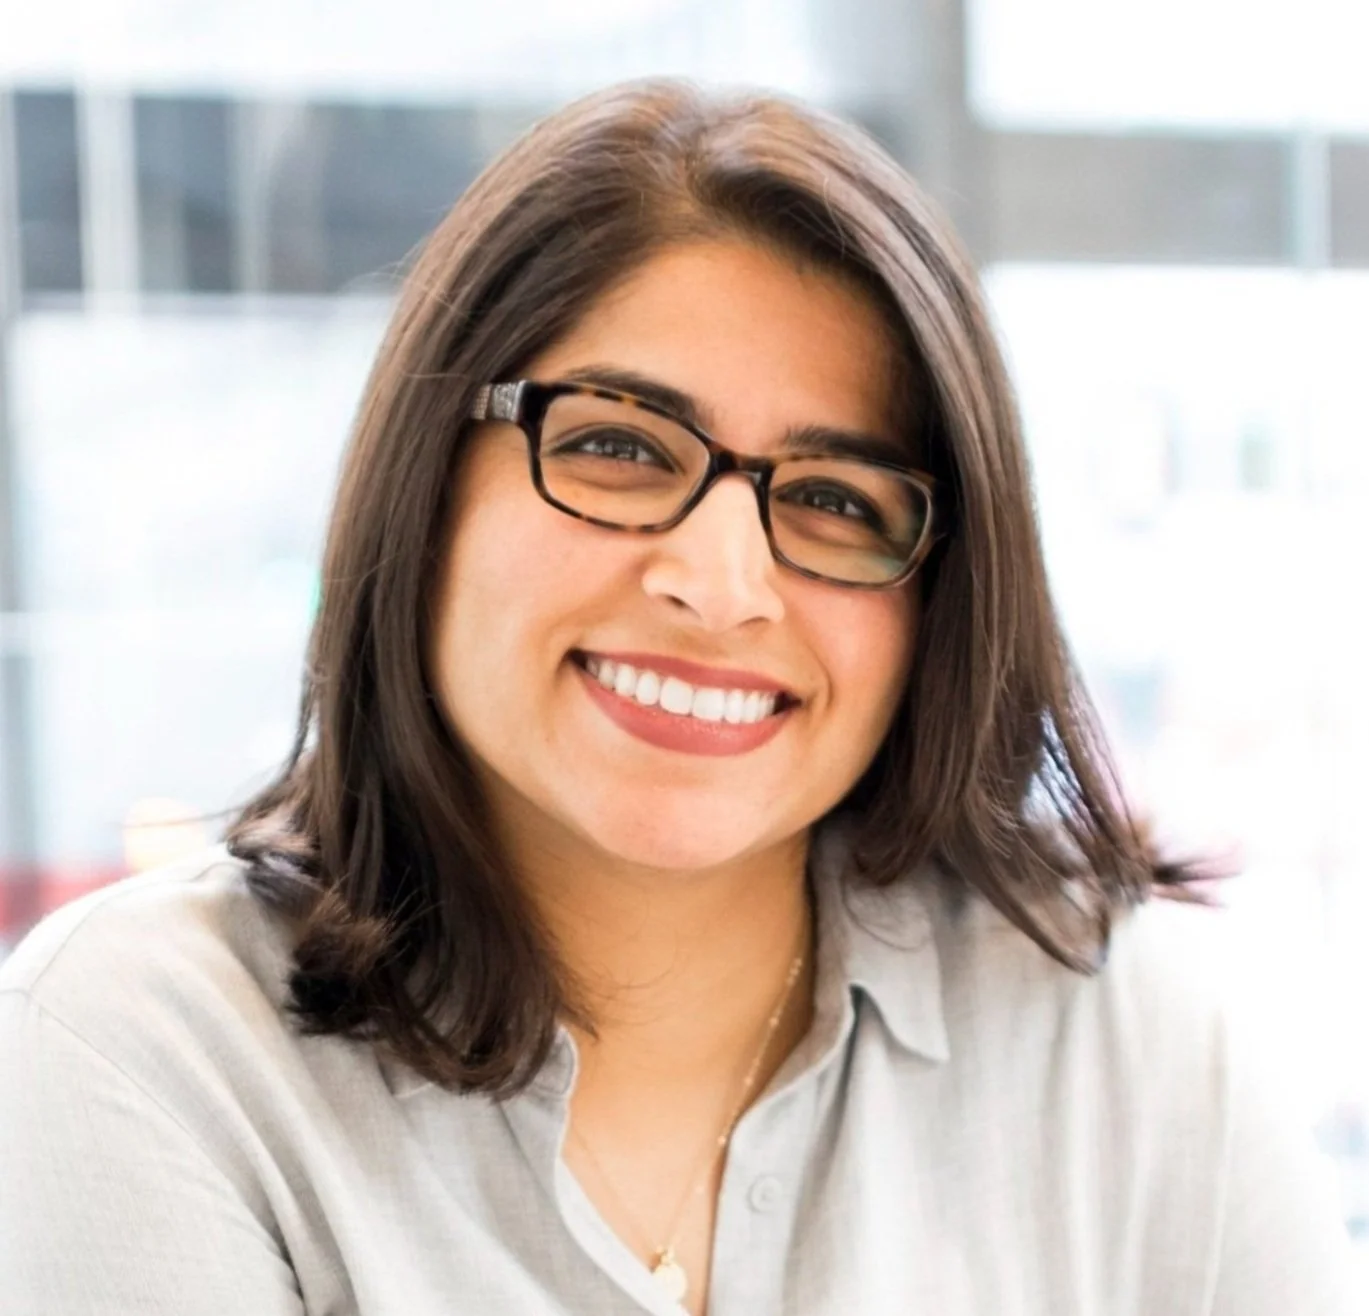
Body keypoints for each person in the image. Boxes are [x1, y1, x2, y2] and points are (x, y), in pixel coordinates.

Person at [0, 80, 1360, 1316]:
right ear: (429, 486)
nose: (720, 583)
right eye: (616, 446)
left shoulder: (1124, 1036)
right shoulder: (145, 1048)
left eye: (834, 501)